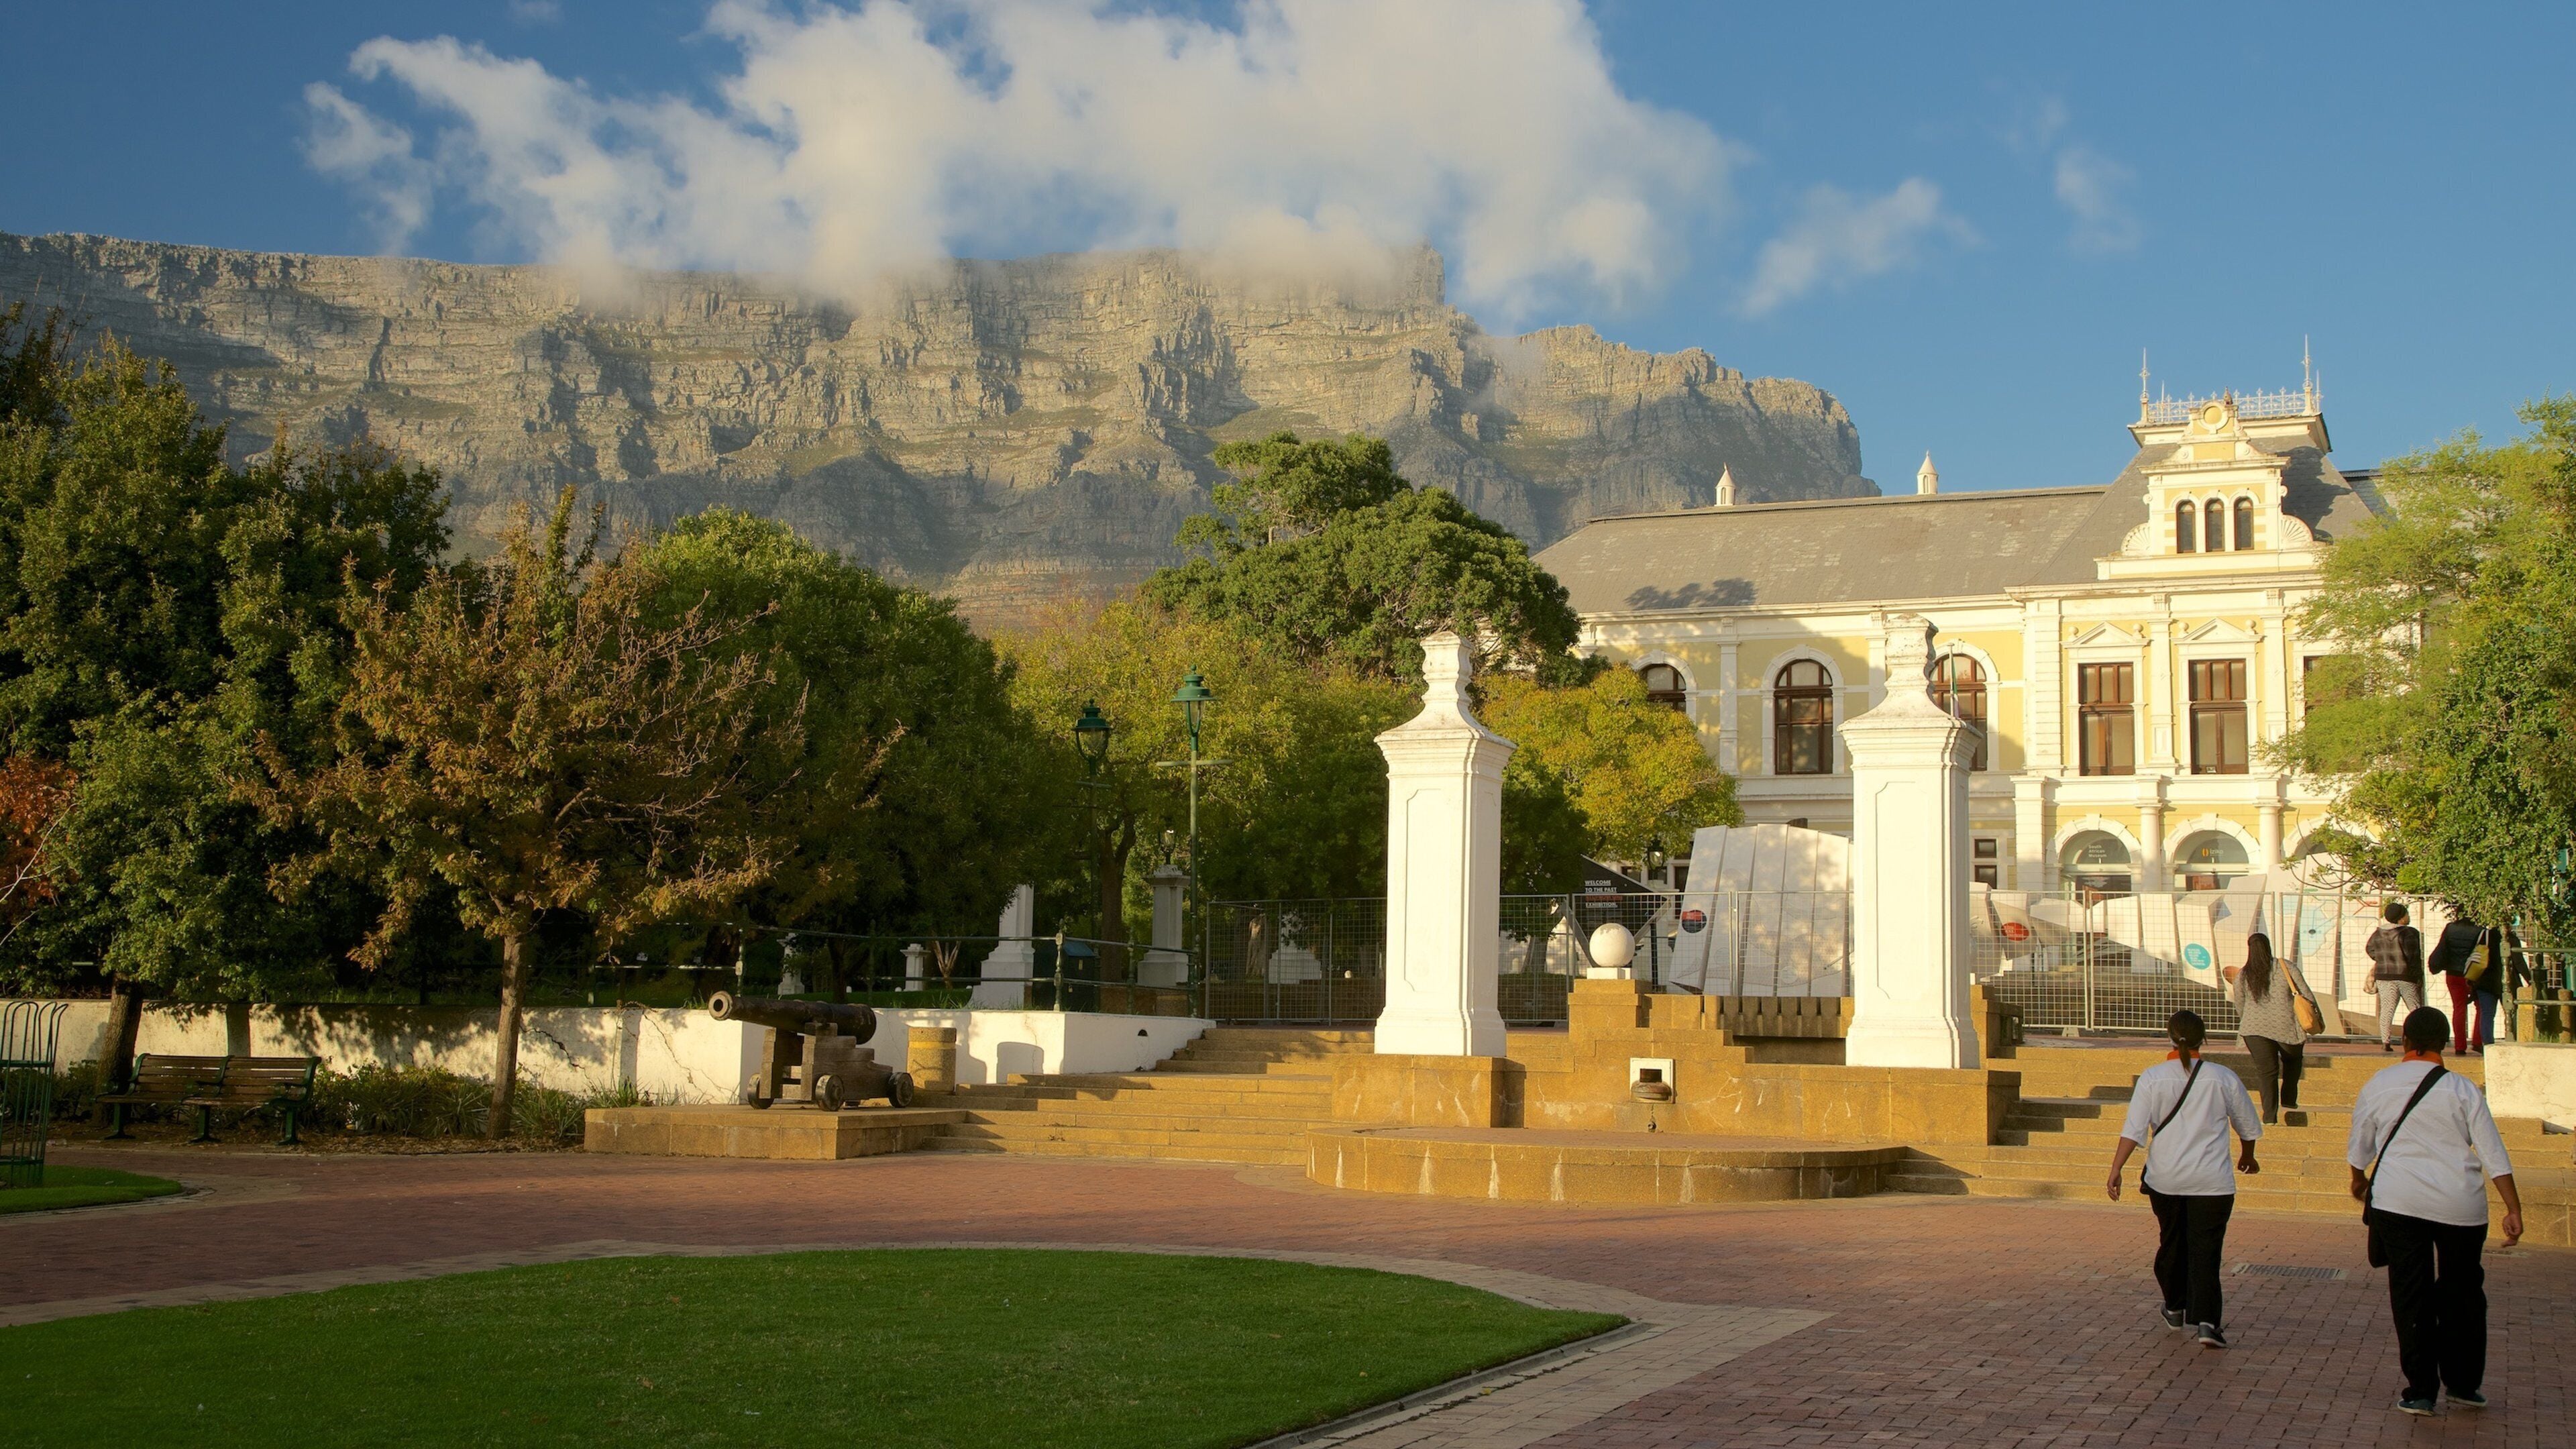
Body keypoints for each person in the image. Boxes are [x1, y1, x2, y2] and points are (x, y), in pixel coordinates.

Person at [2347, 1006, 2523, 1417]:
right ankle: (2463, 1385)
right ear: (2444, 1043)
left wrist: (2358, 1181)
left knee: (2411, 1293)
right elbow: (2493, 1153)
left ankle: (2421, 1391)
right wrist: (2513, 1208)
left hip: (2398, 1201)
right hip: (2460, 1204)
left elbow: (2359, 1148)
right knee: (2463, 1294)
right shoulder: (2463, 1089)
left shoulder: (2378, 1085)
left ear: (2405, 1041)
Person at [2106, 1009, 2262, 1349]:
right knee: (2206, 1251)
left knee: (2171, 1244)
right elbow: (2248, 1125)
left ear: (2169, 1037)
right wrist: (2247, 1156)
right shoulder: (2223, 1077)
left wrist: (2116, 1169)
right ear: (2203, 1038)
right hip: (2212, 1182)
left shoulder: (2153, 1077)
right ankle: (2207, 1323)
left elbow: (2134, 1130)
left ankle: (2175, 1306)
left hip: (2166, 1180)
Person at [2225, 932, 2318, 1124]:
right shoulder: (2285, 967)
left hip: (2254, 1030)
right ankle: (2289, 1100)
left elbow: (2240, 1004)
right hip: (2286, 1026)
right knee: (2293, 1061)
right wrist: (2316, 1018)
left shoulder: (2243, 975)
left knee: (2267, 1072)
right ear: (2268, 947)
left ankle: (2269, 1117)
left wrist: (2249, 1020)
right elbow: (2306, 994)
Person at [2366, 902, 2426, 1051]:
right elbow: (2414, 957)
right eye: (2406, 914)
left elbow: (2370, 949)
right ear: (2401, 917)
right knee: (2416, 1009)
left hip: (2384, 976)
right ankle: (2419, 1040)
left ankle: (2385, 1042)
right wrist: (2418, 976)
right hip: (2406, 976)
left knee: (2387, 1009)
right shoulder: (2410, 933)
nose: (2408, 917)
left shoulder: (2378, 933)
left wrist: (2382, 959)